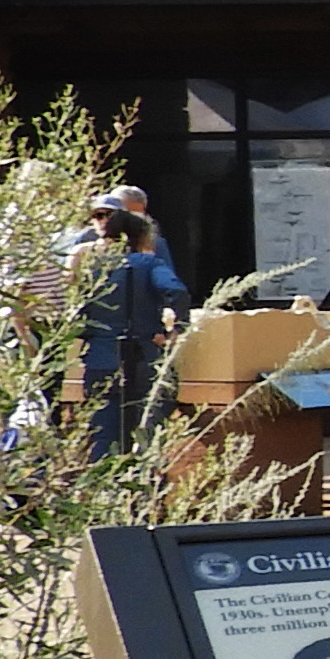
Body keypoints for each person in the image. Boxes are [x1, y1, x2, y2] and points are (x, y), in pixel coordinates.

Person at [74, 186, 191, 460]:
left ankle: (103, 493)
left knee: (102, 435)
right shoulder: (146, 263)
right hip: (143, 355)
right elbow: (177, 291)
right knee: (147, 433)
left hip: (100, 357)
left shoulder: (88, 263)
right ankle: (143, 492)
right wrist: (176, 329)